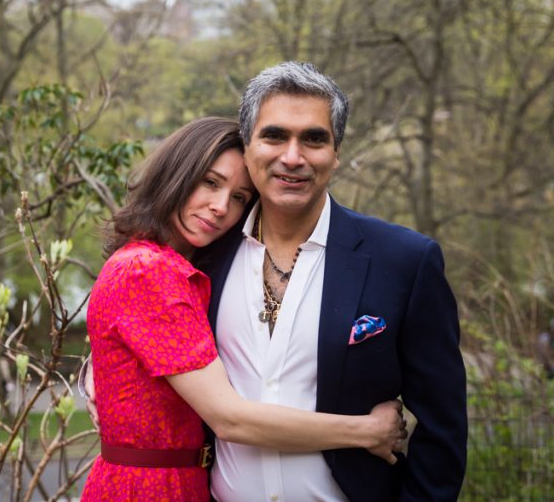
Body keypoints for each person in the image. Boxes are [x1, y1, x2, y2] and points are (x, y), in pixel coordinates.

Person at [81, 117, 407, 502]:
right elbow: (228, 418)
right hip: (148, 490)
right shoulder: (147, 270)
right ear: (177, 173)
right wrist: (366, 431)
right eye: (211, 182)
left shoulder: (182, 268)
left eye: (239, 197)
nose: (221, 208)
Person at [196, 62, 467, 501]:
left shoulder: (404, 261)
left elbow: (444, 427)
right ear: (247, 147)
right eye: (275, 135)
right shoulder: (205, 255)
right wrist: (96, 374)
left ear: (336, 153)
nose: (293, 156)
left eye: (314, 139)